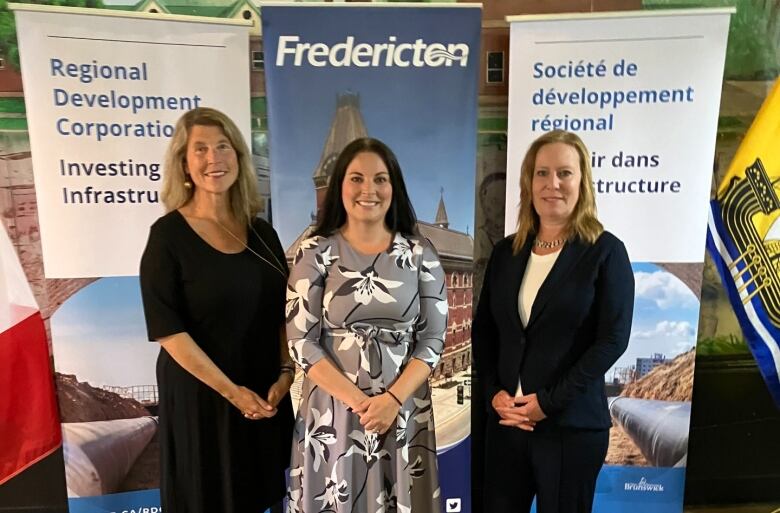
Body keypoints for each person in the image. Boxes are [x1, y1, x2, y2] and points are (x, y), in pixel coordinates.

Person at [139, 107, 294, 513]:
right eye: (201, 149)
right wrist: (232, 393)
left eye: (223, 146)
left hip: (262, 394)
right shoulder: (167, 236)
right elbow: (169, 331)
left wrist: (286, 371)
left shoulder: (262, 233)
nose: (214, 158)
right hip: (203, 398)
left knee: (261, 495)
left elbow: (282, 309)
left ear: (239, 157)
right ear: (184, 164)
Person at [473, 130, 634, 513]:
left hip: (570, 429)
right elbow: (484, 332)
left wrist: (547, 403)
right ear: (529, 183)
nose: (553, 184)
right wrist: (494, 393)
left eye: (565, 173)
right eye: (542, 173)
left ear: (582, 182)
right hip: (505, 423)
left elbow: (613, 340)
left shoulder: (606, 252)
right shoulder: (506, 253)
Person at [285, 137, 447, 513]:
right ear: (340, 185)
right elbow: (301, 342)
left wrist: (390, 401)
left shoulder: (421, 254)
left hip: (403, 409)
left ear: (394, 187)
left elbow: (433, 339)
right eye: (356, 178)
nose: (368, 190)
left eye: (380, 179)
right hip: (334, 412)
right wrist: (361, 403)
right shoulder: (315, 253)